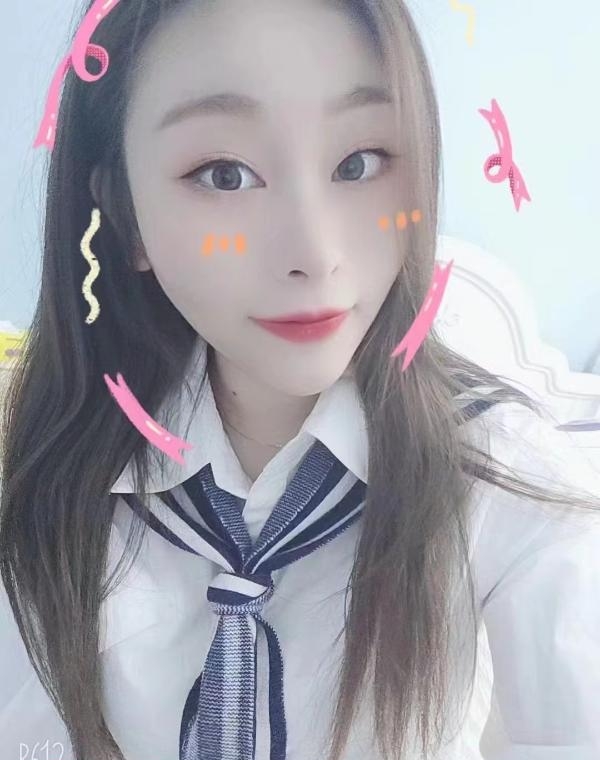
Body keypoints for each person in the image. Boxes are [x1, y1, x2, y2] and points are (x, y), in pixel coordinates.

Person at [1, 0, 599, 759]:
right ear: (123, 217)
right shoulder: (67, 475)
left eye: (360, 163)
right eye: (224, 175)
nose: (315, 255)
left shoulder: (507, 478)